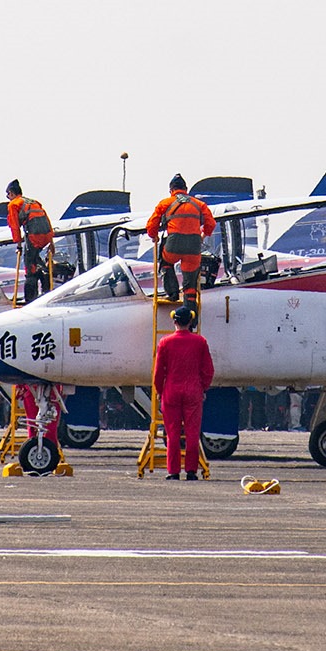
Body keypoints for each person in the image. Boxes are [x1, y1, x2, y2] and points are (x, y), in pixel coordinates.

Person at [152, 304, 214, 481]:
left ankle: (173, 471)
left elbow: (159, 372)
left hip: (171, 390)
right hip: (193, 390)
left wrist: (159, 390)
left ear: (174, 321)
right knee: (192, 433)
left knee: (172, 433)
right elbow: (208, 370)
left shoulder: (165, 342)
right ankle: (191, 470)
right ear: (191, 321)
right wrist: (203, 387)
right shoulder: (200, 342)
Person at [145, 175, 216, 309]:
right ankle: (191, 319)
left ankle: (172, 293)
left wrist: (154, 236)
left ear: (171, 190)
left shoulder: (165, 203)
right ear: (186, 189)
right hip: (194, 248)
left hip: (173, 246)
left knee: (166, 262)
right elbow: (211, 223)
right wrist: (203, 235)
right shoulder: (199, 204)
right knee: (190, 285)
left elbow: (151, 225)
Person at [5, 180, 55, 303]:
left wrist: (18, 245)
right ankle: (46, 286)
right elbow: (47, 221)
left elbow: (15, 227)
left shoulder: (13, 205)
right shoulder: (34, 202)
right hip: (46, 236)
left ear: (11, 193)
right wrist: (51, 242)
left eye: (8, 195)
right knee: (35, 260)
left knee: (29, 266)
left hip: (34, 237)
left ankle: (30, 299)